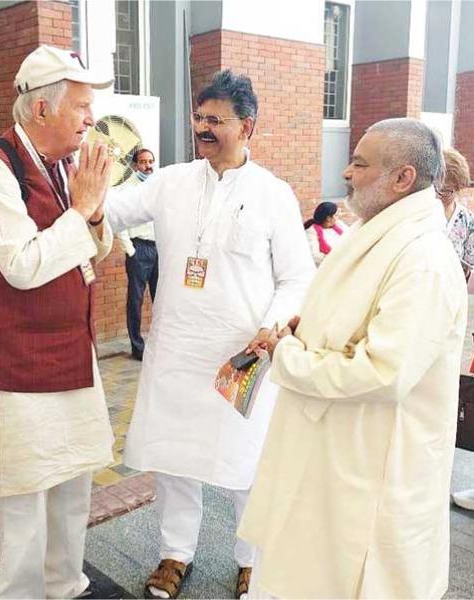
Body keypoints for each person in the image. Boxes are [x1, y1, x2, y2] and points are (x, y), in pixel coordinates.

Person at [105, 69, 315, 599]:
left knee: (249, 465)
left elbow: (296, 277)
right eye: (199, 117)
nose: (202, 128)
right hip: (176, 351)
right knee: (175, 460)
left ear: (247, 126)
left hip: (242, 358)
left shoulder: (273, 194)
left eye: (215, 120)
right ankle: (176, 554)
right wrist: (81, 176)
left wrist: (273, 325)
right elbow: (106, 211)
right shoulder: (171, 181)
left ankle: (253, 560)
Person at [238, 118, 466, 599]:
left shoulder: (422, 257)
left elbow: (384, 372)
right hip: (331, 454)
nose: (347, 173)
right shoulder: (376, 232)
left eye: (360, 164)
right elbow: (350, 313)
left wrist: (289, 357)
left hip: (366, 471)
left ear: (403, 177)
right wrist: (306, 327)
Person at [0, 45, 115, 599]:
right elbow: (20, 267)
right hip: (19, 353)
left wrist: (92, 209)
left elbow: (98, 247)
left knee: (74, 481)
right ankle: (20, 593)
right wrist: (81, 212)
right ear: (41, 110)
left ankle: (66, 583)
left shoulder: (66, 167)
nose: (91, 119)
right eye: (82, 106)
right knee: (25, 493)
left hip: (72, 344)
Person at [440, 148, 474, 512]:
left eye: (453, 190)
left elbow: (471, 269)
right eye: (444, 188)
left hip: (452, 308)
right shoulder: (415, 216)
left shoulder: (466, 221)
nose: (447, 195)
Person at [117, 147, 158, 360]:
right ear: (135, 166)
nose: (148, 166)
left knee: (161, 299)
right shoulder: (128, 190)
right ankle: (137, 346)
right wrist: (131, 250)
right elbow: (120, 223)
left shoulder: (158, 187)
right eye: (143, 162)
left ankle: (159, 345)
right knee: (136, 300)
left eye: (150, 161)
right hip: (139, 249)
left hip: (158, 248)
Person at [438, 148, 474, 280]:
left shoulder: (469, 222)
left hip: (451, 290)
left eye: (446, 190)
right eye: (435, 187)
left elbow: (469, 267)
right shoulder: (418, 213)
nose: (438, 195)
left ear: (458, 188)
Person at [303, 201, 348, 265]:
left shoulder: (339, 224)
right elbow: (315, 256)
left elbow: (352, 237)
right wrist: (336, 258)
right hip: (329, 266)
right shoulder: (312, 232)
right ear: (328, 218)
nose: (338, 217)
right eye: (336, 215)